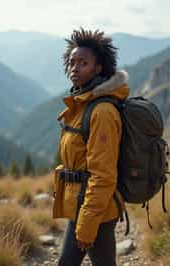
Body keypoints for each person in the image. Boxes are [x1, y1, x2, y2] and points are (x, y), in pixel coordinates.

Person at [52, 28, 129, 266]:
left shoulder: (102, 112)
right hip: (82, 204)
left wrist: (87, 223)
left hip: (96, 209)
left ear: (98, 68)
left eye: (83, 63)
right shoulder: (83, 105)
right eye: (72, 62)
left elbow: (103, 175)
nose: (75, 68)